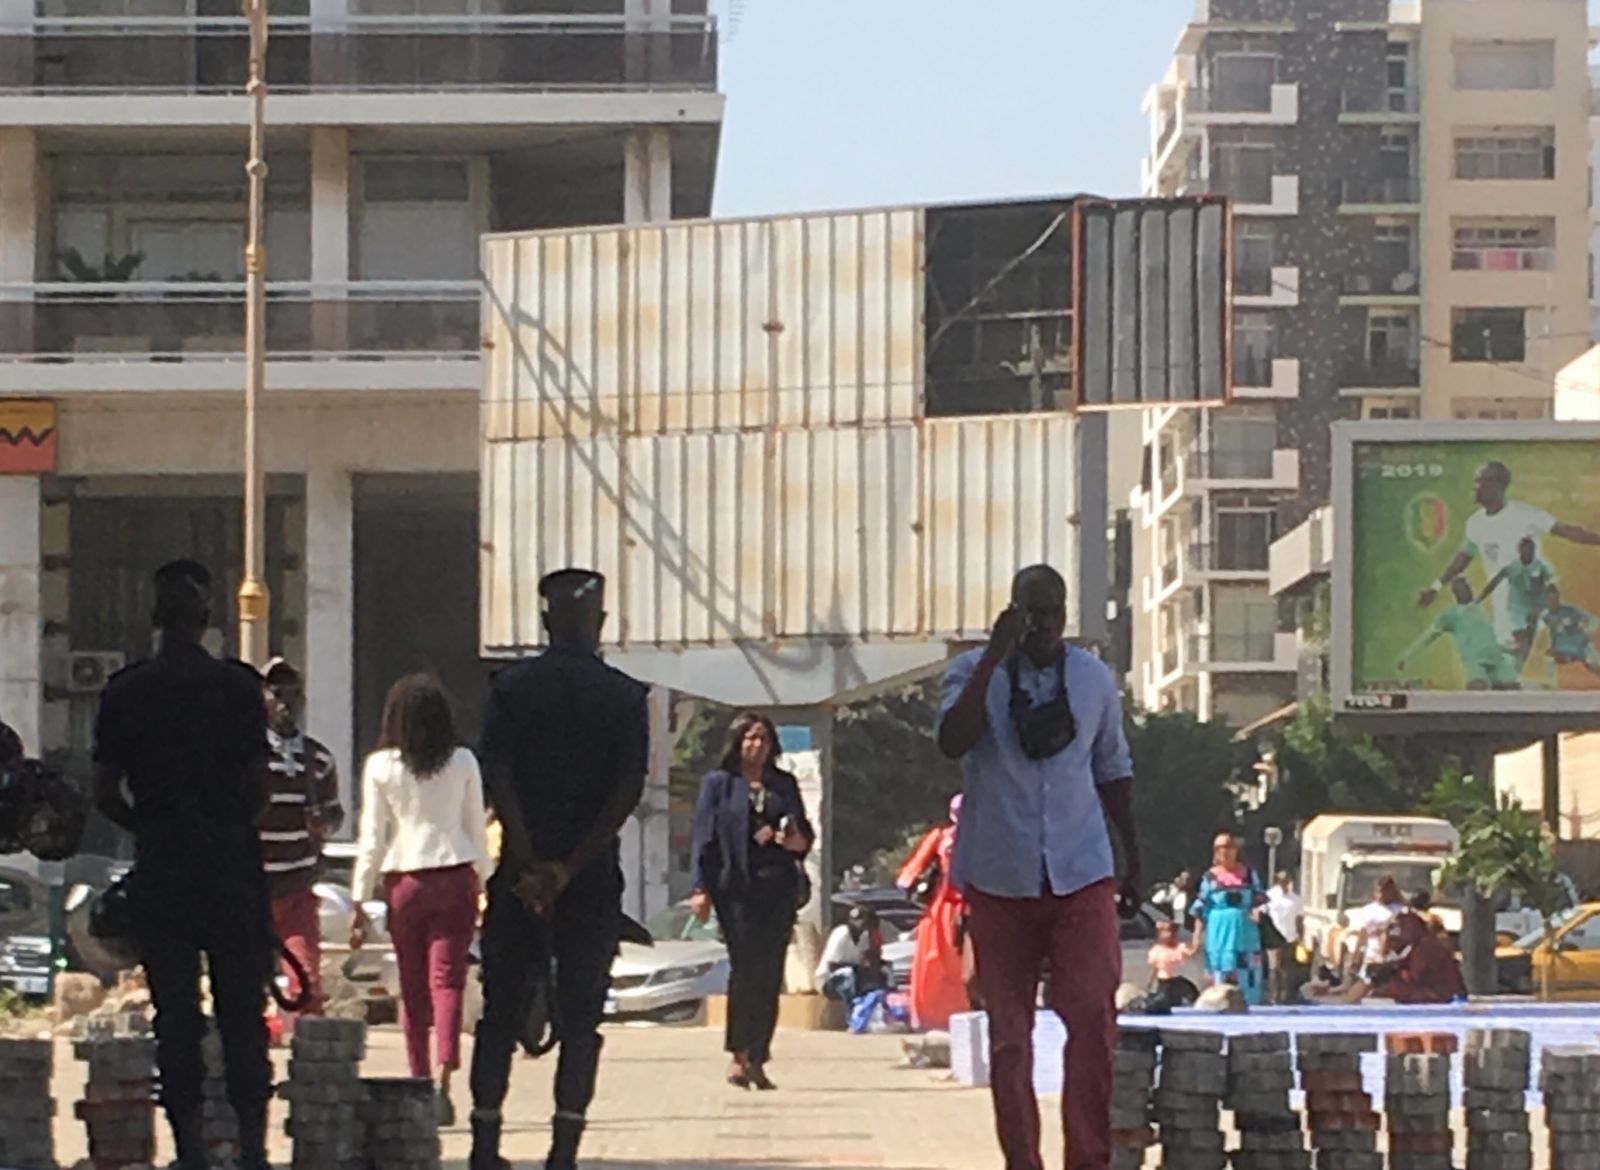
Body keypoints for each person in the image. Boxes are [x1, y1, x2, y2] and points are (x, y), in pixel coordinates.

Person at [936, 564, 1140, 1170]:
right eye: (1033, 610)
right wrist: (995, 657)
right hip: (1001, 875)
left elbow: (1113, 768)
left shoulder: (1092, 677)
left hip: (1081, 871)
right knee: (1009, 1037)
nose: (1045, 623)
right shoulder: (972, 673)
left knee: (1093, 1022)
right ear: (1013, 611)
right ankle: (1022, 1160)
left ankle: (1089, 1159)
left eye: (1054, 610)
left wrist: (1134, 858)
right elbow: (953, 741)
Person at [91, 560, 274, 1170]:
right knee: (241, 1012)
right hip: (228, 867)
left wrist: (152, 827)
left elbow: (104, 791)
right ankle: (252, 1147)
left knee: (175, 1014)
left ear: (154, 617)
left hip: (163, 867)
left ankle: (190, 1148)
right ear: (208, 618)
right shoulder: (240, 688)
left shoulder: (125, 690)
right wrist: (226, 828)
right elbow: (258, 787)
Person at [469, 569, 650, 1170]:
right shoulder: (625, 697)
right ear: (599, 623)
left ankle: (485, 1144)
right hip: (590, 878)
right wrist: (569, 869)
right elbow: (626, 792)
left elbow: (498, 777)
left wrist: (529, 861)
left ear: (545, 622)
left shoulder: (512, 689)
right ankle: (563, 1151)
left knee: (498, 1014)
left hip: (520, 876)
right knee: (580, 1019)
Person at [351, 673, 490, 1126]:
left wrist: (358, 896)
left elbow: (371, 837)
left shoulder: (380, 767)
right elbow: (475, 829)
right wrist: (485, 882)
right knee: (447, 981)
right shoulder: (465, 761)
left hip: (403, 879)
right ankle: (447, 1078)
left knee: (411, 989)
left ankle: (417, 1077)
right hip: (455, 875)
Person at [689, 712, 814, 1090]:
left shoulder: (784, 784)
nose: (755, 745)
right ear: (737, 742)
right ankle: (739, 1054)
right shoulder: (720, 784)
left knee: (770, 972)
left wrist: (795, 841)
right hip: (736, 889)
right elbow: (703, 838)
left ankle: (759, 1055)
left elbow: (804, 834)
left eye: (762, 739)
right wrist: (700, 887)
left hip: (777, 889)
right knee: (744, 969)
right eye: (749, 738)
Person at [1417, 459, 1600, 653]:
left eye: (1481, 481)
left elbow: (1567, 531)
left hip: (1532, 598)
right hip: (1504, 606)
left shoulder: (1525, 515)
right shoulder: (1475, 523)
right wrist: (1436, 587)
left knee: (1517, 657)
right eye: (1475, 481)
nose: (1475, 486)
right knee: (1508, 666)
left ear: (1499, 486)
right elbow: (1462, 559)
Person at [257, 658, 343, 1033]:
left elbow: (336, 814)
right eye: (276, 693)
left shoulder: (318, 759)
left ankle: (312, 1057)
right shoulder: (248, 755)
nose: (285, 702)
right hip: (252, 887)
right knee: (245, 978)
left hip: (297, 884)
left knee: (306, 978)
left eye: (293, 694)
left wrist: (325, 823)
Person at [897, 793, 971, 1032]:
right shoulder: (940, 836)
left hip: (975, 903)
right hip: (945, 906)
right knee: (935, 960)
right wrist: (910, 882)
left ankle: (970, 1014)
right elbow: (911, 870)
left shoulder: (985, 836)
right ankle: (935, 1017)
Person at [1398, 577, 1520, 691]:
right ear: (1455, 593)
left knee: (1512, 687)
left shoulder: (1479, 610)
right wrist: (1407, 657)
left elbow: (1488, 637)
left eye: (1467, 586)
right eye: (1460, 587)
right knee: (1478, 687)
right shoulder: (1452, 615)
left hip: (1496, 659)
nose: (1466, 589)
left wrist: (1508, 649)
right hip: (1475, 662)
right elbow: (1428, 637)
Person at [1191, 832, 1268, 1005]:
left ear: (1235, 849)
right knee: (1220, 971)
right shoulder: (1210, 878)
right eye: (1219, 848)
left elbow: (1261, 899)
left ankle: (1251, 1005)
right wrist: (1196, 937)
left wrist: (1258, 911)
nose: (1224, 851)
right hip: (1219, 933)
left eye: (1228, 846)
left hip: (1245, 932)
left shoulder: (1249, 875)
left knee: (1248, 973)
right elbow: (1200, 908)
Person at [1477, 537, 1556, 665]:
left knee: (1529, 635)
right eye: (1524, 550)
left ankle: (1517, 661)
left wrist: (1549, 604)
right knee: (1520, 636)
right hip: (1517, 606)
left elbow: (1551, 587)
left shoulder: (1541, 566)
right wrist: (1480, 598)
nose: (1527, 553)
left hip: (1535, 606)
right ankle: (1514, 661)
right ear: (1519, 551)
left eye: (1530, 550)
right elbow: (1495, 582)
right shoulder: (1513, 566)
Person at [815, 906, 886, 1004]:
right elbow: (832, 966)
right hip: (828, 981)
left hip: (852, 977)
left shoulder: (864, 935)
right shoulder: (841, 933)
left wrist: (877, 970)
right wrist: (858, 970)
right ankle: (851, 1011)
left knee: (878, 979)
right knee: (848, 975)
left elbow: (868, 957)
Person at [1344, 876, 1407, 979]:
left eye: (1385, 891)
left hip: (1395, 949)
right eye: (1379, 891)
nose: (1382, 895)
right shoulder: (1369, 910)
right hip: (1373, 950)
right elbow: (1363, 934)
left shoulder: (1400, 909)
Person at [1539, 584, 1600, 684]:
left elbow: (1594, 620)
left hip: (1581, 646)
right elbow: (1540, 634)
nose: (1553, 603)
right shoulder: (1545, 616)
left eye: (1555, 599)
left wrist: (1590, 630)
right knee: (1549, 658)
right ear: (1545, 600)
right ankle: (1550, 684)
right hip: (1562, 650)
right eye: (1550, 600)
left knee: (1594, 663)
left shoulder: (1570, 611)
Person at [1265, 871, 1304, 1005]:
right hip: (1273, 937)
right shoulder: (1269, 896)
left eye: (1286, 880)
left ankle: (1287, 995)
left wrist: (1301, 937)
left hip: (1290, 936)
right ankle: (1274, 996)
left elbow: (1299, 919)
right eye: (1281, 880)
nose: (1284, 882)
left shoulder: (1296, 899)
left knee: (1288, 968)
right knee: (1274, 967)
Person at [1146, 918, 1199, 1006]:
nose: (1166, 935)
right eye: (1162, 932)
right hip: (1163, 982)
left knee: (1177, 1001)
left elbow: (1192, 952)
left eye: (1169, 931)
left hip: (1177, 982)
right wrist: (1150, 983)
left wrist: (1197, 933)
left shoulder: (1180, 948)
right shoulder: (1157, 950)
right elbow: (1155, 968)